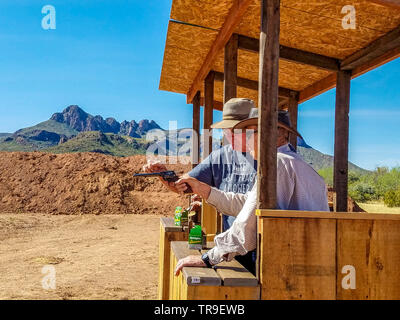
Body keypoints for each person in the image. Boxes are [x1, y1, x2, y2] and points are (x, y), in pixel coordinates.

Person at [173, 109, 330, 275]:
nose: (246, 141)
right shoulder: (294, 163)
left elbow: (248, 222)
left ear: (271, 133)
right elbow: (252, 205)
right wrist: (204, 190)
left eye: (249, 133)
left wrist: (208, 258)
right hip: (305, 266)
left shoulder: (277, 164)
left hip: (290, 269)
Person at [143, 98, 257, 232]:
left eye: (235, 129)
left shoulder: (272, 160)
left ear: (252, 128)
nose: (229, 134)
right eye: (226, 129)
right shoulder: (220, 156)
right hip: (232, 243)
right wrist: (165, 175)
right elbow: (184, 185)